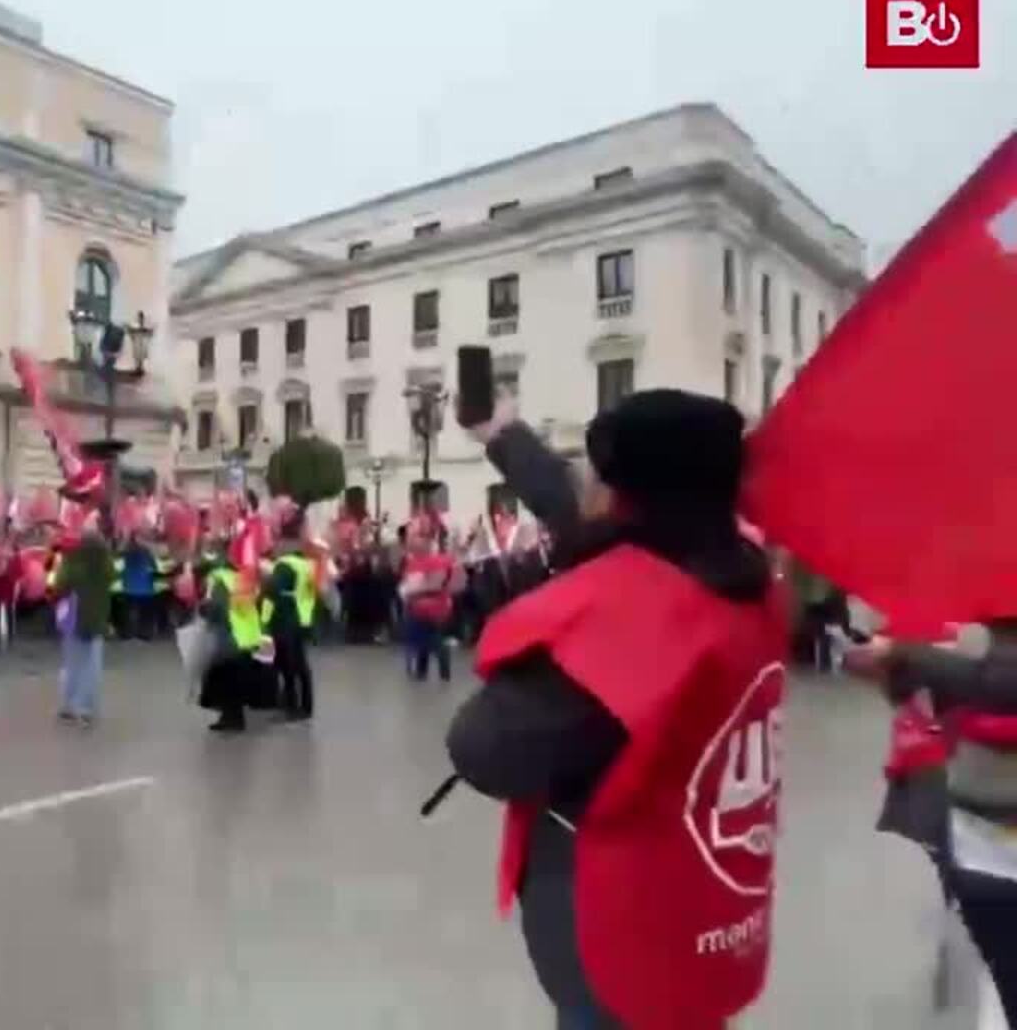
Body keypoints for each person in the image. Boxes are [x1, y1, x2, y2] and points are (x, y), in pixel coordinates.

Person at [443, 390, 786, 1029]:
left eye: (598, 476)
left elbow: (482, 746)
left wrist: (551, 621)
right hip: (703, 907)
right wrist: (505, 434)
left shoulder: (634, 621)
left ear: (626, 497)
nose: (587, 491)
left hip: (620, 929)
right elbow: (584, 517)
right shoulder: (741, 584)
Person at [844, 623, 1017, 1017]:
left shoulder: (966, 643)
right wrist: (894, 671)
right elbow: (921, 701)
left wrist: (905, 656)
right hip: (977, 823)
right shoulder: (963, 637)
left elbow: (994, 681)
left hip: (978, 817)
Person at [194, 538, 275, 733]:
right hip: (248, 635)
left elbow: (215, 608)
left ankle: (230, 718)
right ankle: (234, 716)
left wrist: (203, 608)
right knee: (238, 680)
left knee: (223, 680)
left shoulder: (220, 577)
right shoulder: (250, 577)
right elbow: (262, 603)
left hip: (227, 635)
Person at [49, 523, 115, 726]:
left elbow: (59, 585)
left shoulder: (72, 562)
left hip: (72, 617)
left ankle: (69, 706)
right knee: (92, 664)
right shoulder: (106, 566)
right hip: (96, 618)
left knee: (72, 663)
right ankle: (87, 708)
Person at [398, 519, 462, 682]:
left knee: (434, 638)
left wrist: (414, 590)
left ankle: (443, 669)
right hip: (416, 606)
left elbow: (437, 584)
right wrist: (406, 590)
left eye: (419, 539)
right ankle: (421, 671)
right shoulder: (412, 562)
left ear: (428, 542)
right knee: (421, 640)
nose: (414, 543)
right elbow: (406, 582)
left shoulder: (439, 560)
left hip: (436, 605)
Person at [268, 520, 317, 721]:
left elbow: (272, 593)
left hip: (286, 620)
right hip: (304, 618)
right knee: (301, 665)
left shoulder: (283, 565)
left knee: (287, 666)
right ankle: (306, 705)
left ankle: (292, 705)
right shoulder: (308, 564)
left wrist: (264, 620)